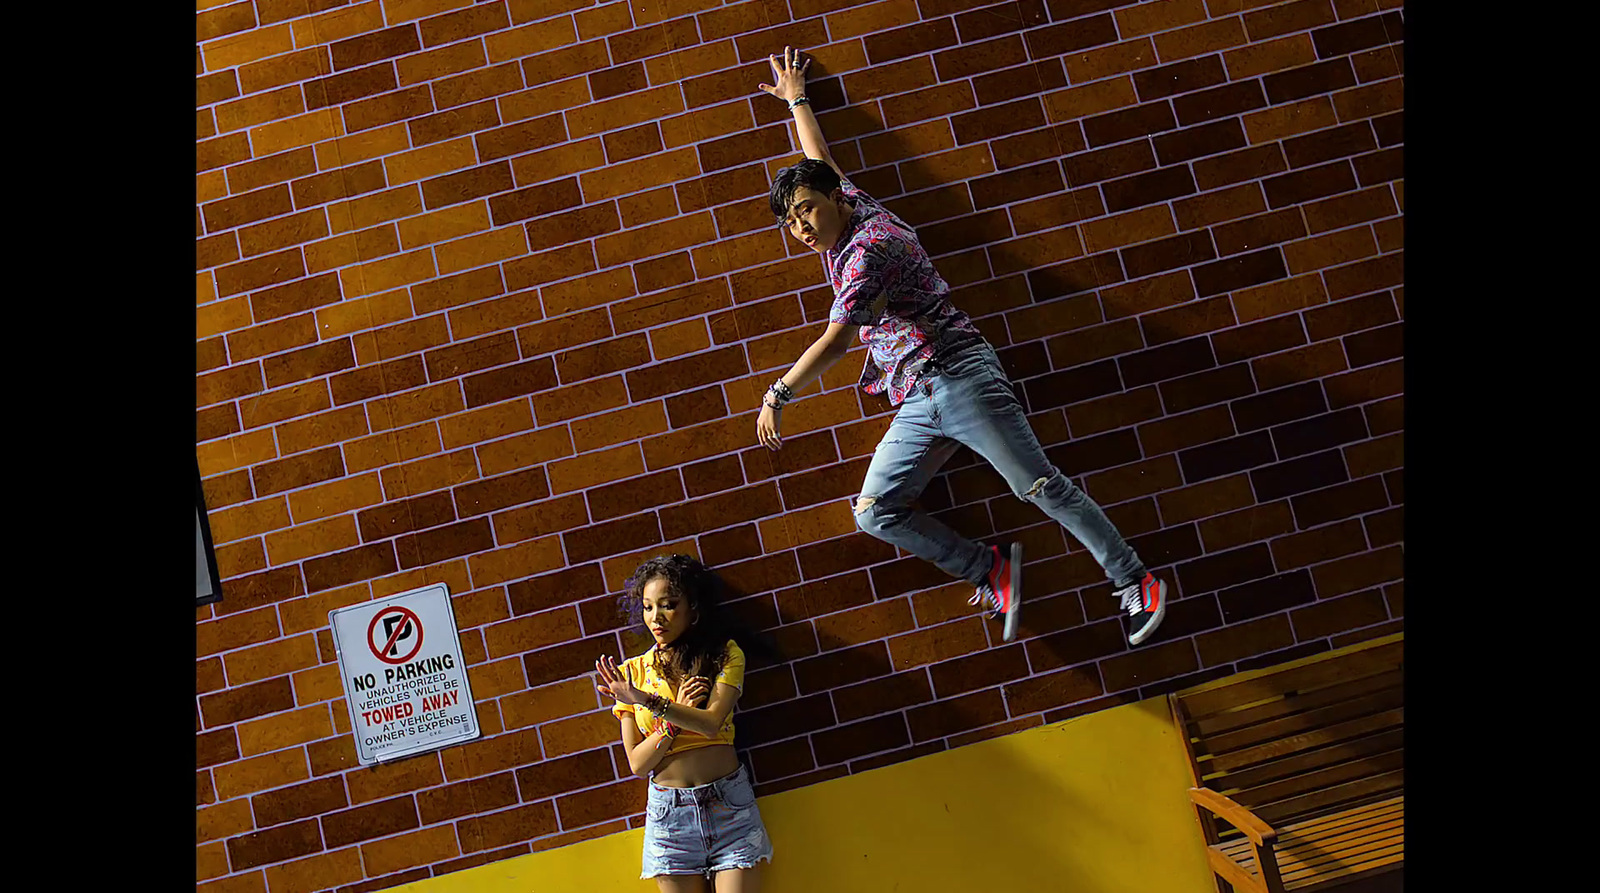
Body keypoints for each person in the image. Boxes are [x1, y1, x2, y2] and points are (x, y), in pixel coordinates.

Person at [752, 47, 1168, 647]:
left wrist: (778, 393)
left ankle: (1135, 581)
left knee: (1042, 488)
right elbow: (818, 158)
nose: (802, 230)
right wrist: (797, 100)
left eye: (807, 213)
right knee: (876, 511)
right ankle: (989, 569)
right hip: (918, 398)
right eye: (791, 223)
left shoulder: (871, 248)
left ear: (835, 202)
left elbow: (839, 339)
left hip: (961, 378)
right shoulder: (849, 209)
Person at [594, 554, 773, 892]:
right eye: (648, 608)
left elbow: (710, 723)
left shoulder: (724, 653)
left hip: (728, 806)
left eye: (668, 605)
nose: (656, 618)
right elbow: (636, 762)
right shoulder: (630, 674)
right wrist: (672, 719)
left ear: (693, 607)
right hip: (670, 818)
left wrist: (650, 702)